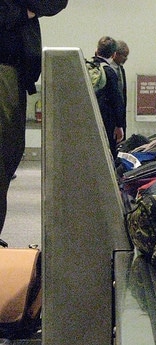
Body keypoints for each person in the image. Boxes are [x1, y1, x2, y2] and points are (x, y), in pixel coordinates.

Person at [0, 0, 67, 234]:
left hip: (14, 71)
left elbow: (54, 3)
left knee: (10, 154)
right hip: (5, 68)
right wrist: (22, 12)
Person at [91, 36, 126, 161]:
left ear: (97, 50)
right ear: (113, 54)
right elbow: (117, 100)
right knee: (107, 152)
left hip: (89, 118)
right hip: (107, 119)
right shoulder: (109, 72)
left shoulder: (87, 68)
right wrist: (119, 125)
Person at [111, 40, 129, 138]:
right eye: (124, 55)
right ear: (116, 54)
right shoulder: (108, 70)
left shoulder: (121, 70)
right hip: (111, 119)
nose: (126, 59)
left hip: (121, 118)